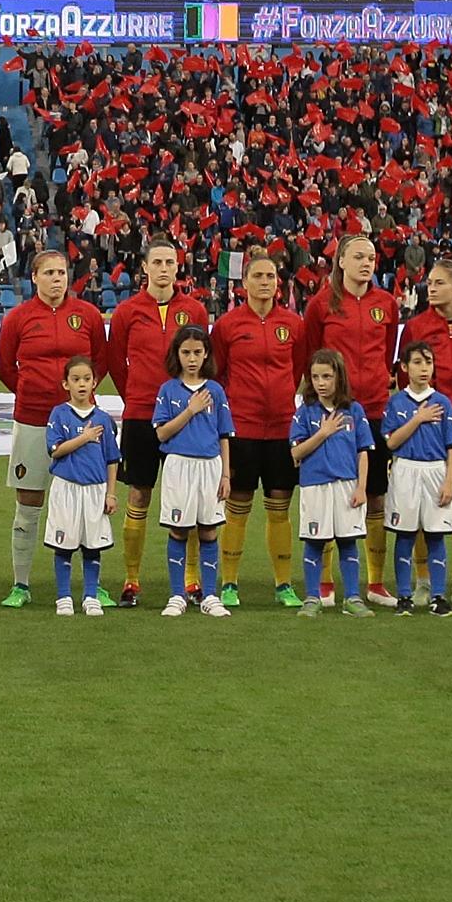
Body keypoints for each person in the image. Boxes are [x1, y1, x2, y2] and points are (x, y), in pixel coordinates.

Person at [0, 248, 106, 610]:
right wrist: (33, 392)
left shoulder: (87, 315)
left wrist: (79, 401)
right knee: (29, 502)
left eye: (62, 273)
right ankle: (21, 584)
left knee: (88, 501)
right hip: (33, 419)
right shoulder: (18, 318)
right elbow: (6, 368)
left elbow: (100, 362)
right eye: (49, 273)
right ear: (35, 278)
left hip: (82, 423)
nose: (57, 279)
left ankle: (91, 587)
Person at [107, 238, 208, 609]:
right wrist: (135, 395)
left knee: (191, 499)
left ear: (178, 268)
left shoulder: (194, 310)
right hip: (141, 416)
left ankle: (192, 581)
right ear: (145, 268)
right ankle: (132, 580)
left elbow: (201, 358)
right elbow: (115, 361)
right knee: (138, 495)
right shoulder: (126, 312)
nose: (164, 269)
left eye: (171, 262)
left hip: (188, 418)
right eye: (158, 263)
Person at [301, 234, 400, 606]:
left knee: (374, 496)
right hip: (332, 414)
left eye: (371, 257)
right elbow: (312, 357)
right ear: (341, 260)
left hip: (374, 411)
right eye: (358, 256)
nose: (366, 262)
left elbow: (387, 353)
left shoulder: (386, 305)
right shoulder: (320, 305)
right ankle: (324, 583)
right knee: (327, 495)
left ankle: (375, 584)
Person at [211, 249, 307, 609]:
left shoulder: (293, 324)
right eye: (258, 277)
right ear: (244, 283)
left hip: (282, 428)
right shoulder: (228, 325)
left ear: (278, 283)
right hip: (243, 429)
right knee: (238, 506)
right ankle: (230, 582)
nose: (265, 282)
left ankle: (283, 584)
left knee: (279, 507)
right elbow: (219, 374)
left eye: (270, 277)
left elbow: (297, 370)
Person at [398, 256, 452, 605]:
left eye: (439, 283)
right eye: (429, 283)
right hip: (428, 430)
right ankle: (423, 581)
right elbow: (403, 378)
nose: (431, 288)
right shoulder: (417, 327)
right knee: (424, 508)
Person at [151, 325, 233, 618]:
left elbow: (224, 434)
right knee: (179, 529)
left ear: (206, 354)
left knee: (209, 529)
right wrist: (190, 409)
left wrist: (226, 474)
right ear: (177, 354)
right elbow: (161, 434)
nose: (192, 358)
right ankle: (177, 595)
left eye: (198, 352)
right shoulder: (169, 390)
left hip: (210, 467)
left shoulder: (216, 390)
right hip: (178, 466)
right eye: (186, 352)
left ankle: (210, 595)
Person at [288, 349, 374, 620]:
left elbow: (363, 451)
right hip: (315, 486)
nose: (321, 382)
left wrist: (361, 487)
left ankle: (352, 597)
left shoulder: (354, 410)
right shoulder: (305, 413)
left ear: (339, 377)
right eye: (315, 377)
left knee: (348, 542)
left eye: (327, 376)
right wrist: (323, 433)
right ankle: (312, 597)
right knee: (314, 542)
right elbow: (296, 453)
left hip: (347, 485)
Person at [382, 341, 452, 616]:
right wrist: (418, 419)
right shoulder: (396, 402)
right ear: (404, 367)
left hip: (435, 471)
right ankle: (405, 595)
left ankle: (438, 596)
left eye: (428, 362)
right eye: (417, 362)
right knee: (405, 534)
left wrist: (450, 480)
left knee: (436, 535)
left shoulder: (443, 402)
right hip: (405, 470)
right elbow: (391, 442)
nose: (423, 368)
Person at [43, 355, 120, 617]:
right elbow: (55, 451)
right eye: (76, 379)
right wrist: (84, 437)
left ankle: (90, 595)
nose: (82, 384)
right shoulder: (59, 414)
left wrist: (111, 493)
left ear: (95, 383)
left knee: (92, 545)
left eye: (86, 379)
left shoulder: (103, 419)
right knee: (64, 544)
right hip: (66, 488)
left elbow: (112, 459)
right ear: (66, 384)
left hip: (95, 490)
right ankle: (64, 597)